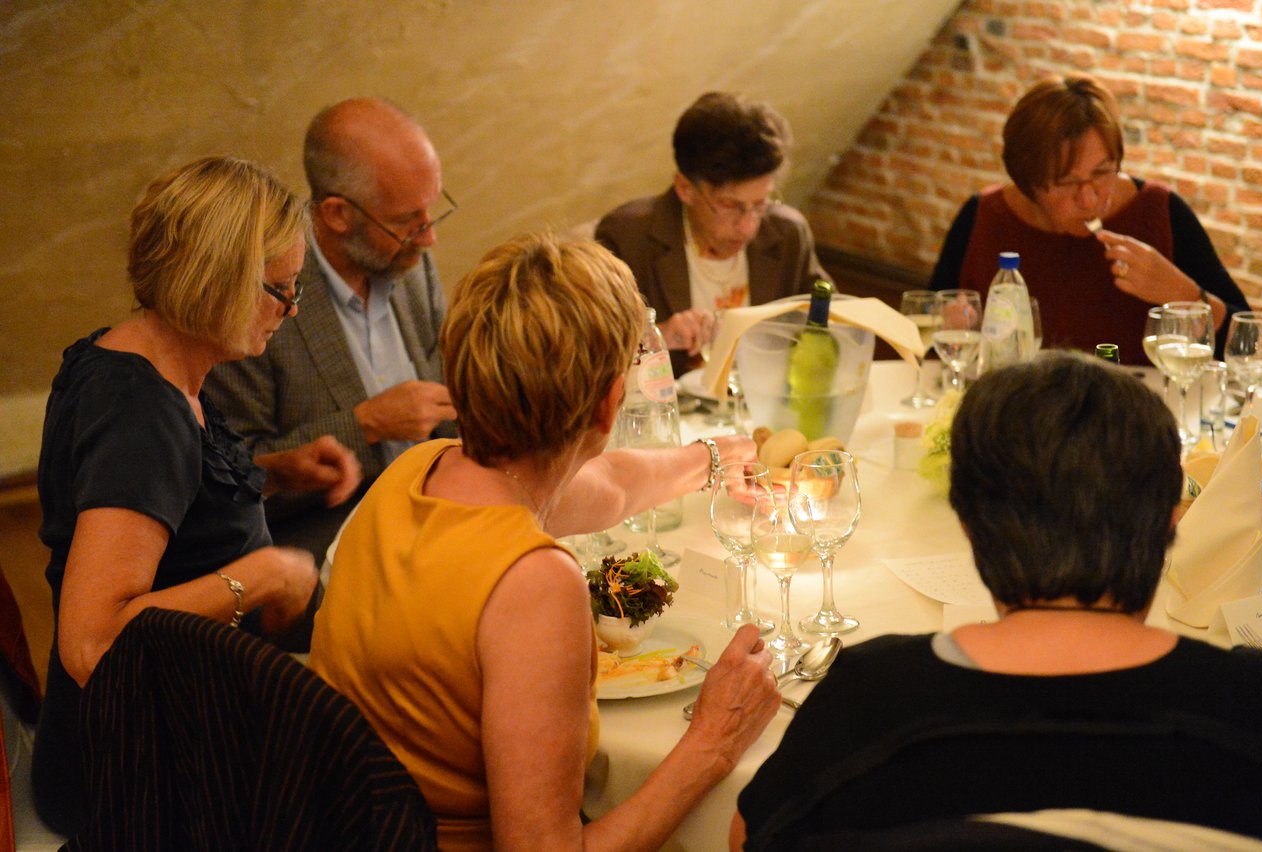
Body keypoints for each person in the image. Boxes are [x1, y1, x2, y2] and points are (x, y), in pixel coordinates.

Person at [309, 233, 781, 850]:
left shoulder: (419, 471)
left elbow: (607, 484)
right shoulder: (535, 582)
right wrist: (714, 741)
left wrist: (712, 458)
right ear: (610, 405)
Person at [733, 353, 1262, 850]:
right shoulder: (1256, 707)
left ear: (968, 524)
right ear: (1169, 521)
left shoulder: (866, 701)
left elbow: (748, 841)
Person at [31, 156, 362, 837]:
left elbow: (166, 505)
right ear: (214, 279)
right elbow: (91, 642)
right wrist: (261, 576)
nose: (292, 311)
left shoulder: (142, 356)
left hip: (179, 726)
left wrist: (275, 471)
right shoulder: (138, 412)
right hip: (142, 771)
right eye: (280, 289)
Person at [206, 98, 458, 564]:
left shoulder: (408, 262)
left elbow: (448, 395)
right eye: (408, 221)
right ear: (338, 215)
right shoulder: (261, 297)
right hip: (329, 545)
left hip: (441, 508)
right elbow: (233, 482)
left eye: (431, 212)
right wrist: (366, 425)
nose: (429, 238)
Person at [928, 73, 1248, 364]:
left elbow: (1250, 346)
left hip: (1135, 414)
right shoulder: (983, 216)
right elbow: (930, 332)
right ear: (1027, 184)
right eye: (1066, 182)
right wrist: (949, 324)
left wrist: (1185, 295)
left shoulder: (1159, 211)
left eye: (1102, 172)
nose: (1090, 198)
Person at [596, 91, 829, 376]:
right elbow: (594, 356)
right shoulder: (628, 238)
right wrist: (656, 337)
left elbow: (827, 325)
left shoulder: (788, 234)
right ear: (685, 188)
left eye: (759, 204)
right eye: (728, 205)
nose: (747, 226)